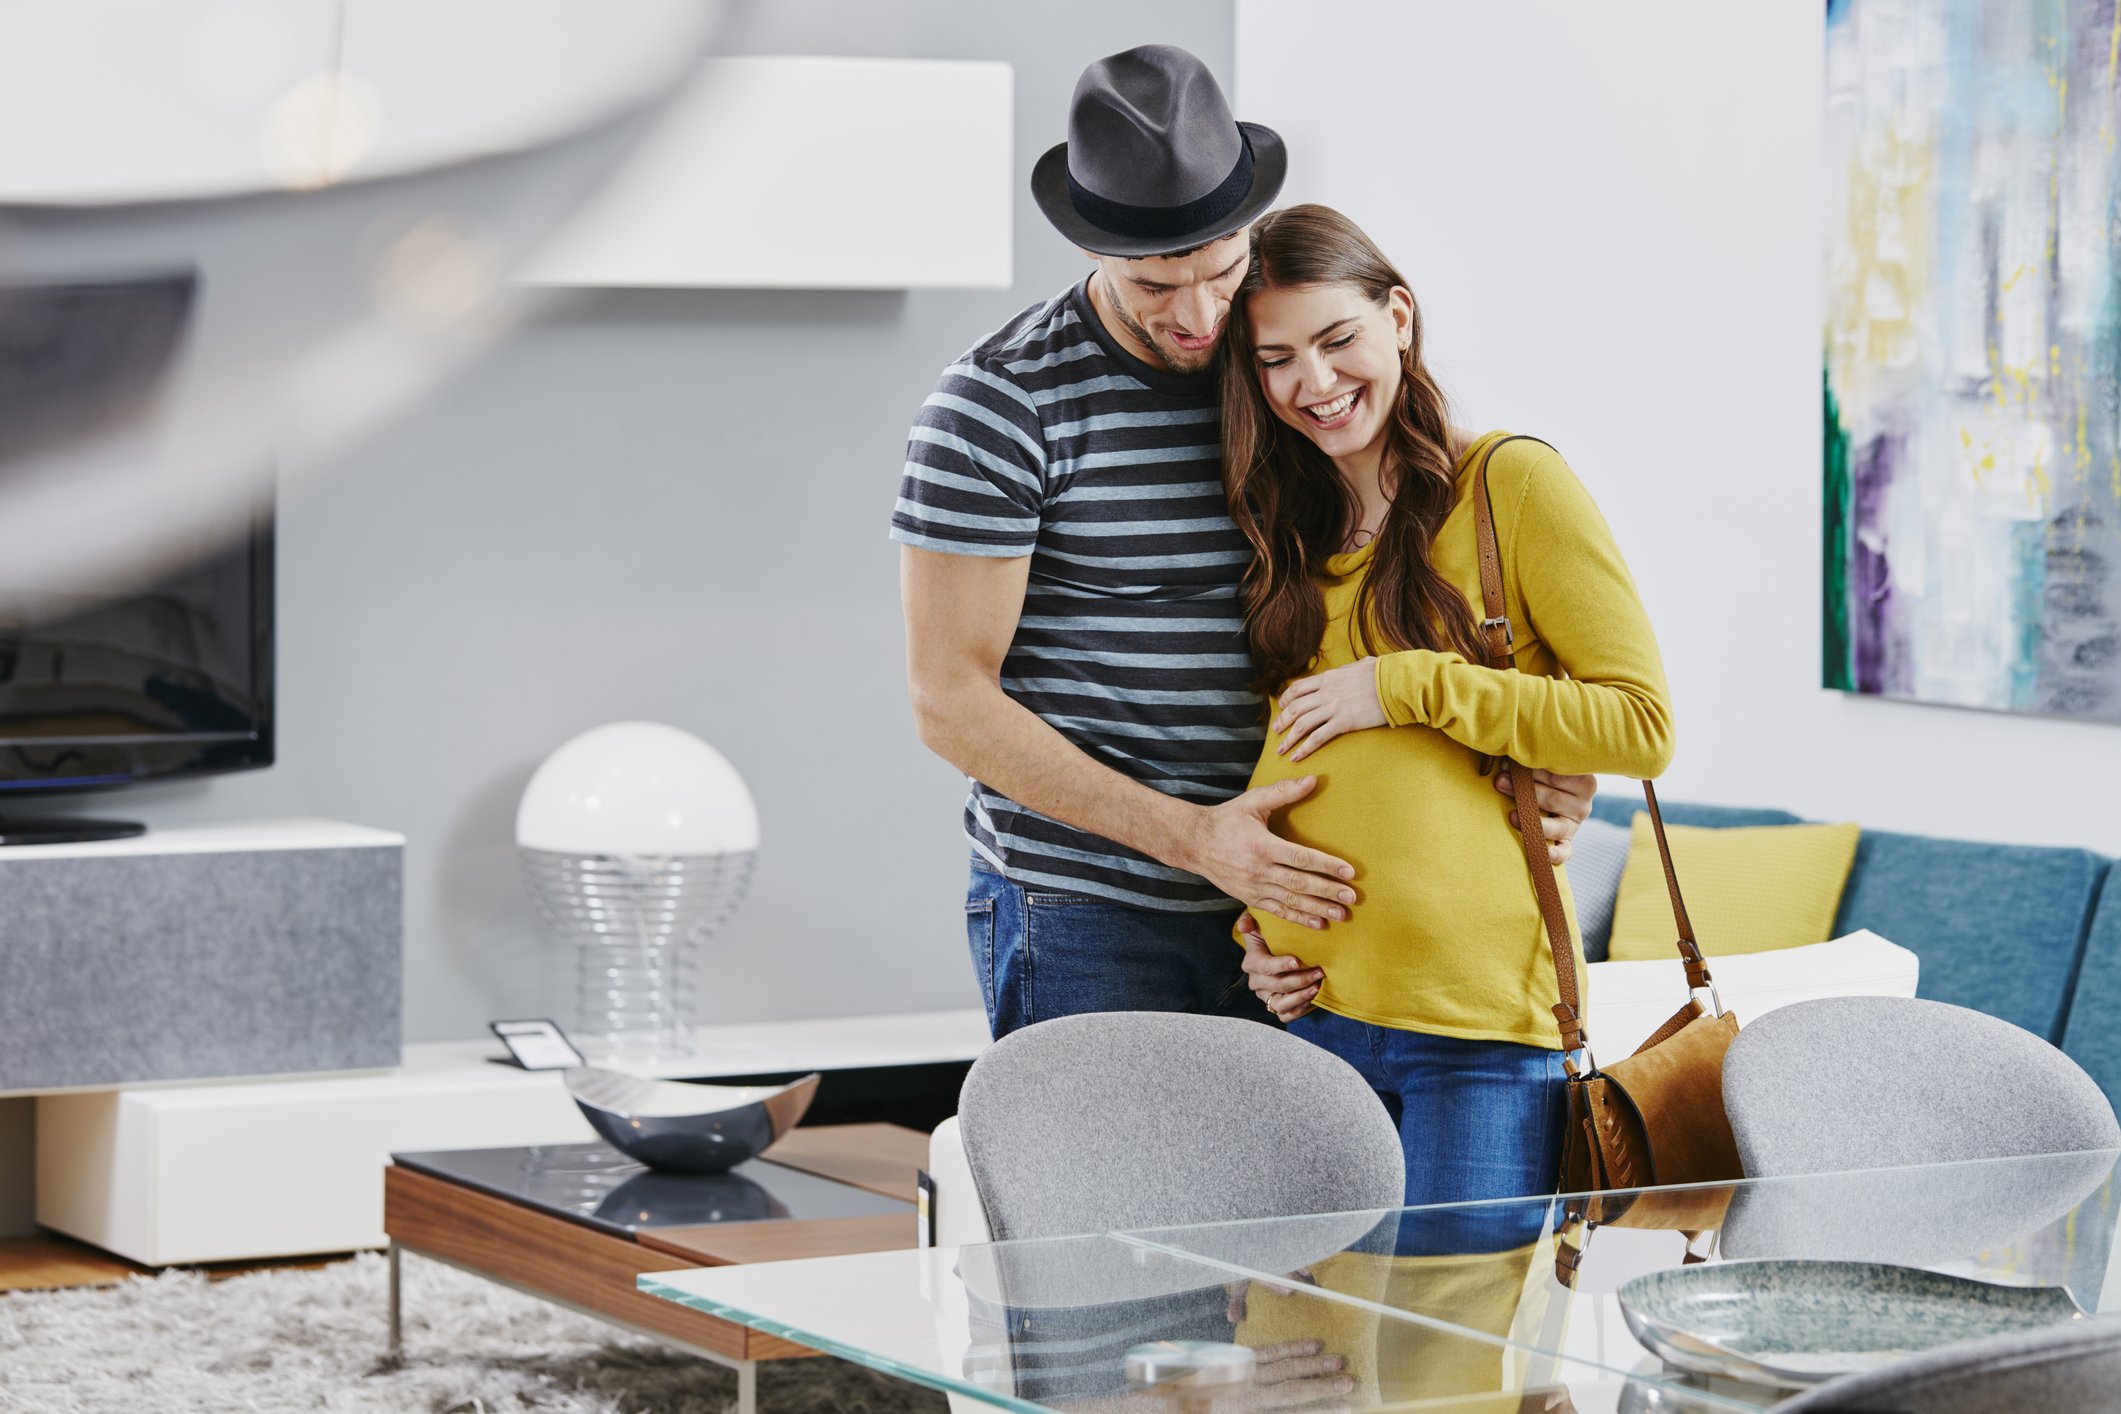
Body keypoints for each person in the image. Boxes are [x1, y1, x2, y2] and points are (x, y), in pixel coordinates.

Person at [894, 45, 1593, 1040]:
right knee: (1113, 1201)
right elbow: (948, 700)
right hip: (1088, 911)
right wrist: (1201, 843)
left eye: (1223, 272)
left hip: (1307, 901)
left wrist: (1552, 769)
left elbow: (1425, 591)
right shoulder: (999, 405)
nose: (1199, 315)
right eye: (1153, 286)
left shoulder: (1294, 378)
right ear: (1094, 250)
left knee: (1311, 1202)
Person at [1220, 204, 1676, 1210]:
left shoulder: (1509, 482)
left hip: (1477, 1034)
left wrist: (1407, 682)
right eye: (1279, 358)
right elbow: (1287, 765)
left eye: (1339, 339)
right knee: (1311, 1363)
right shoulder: (1287, 543)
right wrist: (1257, 937)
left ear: (1400, 317)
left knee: (1454, 1364)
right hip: (1313, 1023)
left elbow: (1642, 724)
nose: (1318, 382)